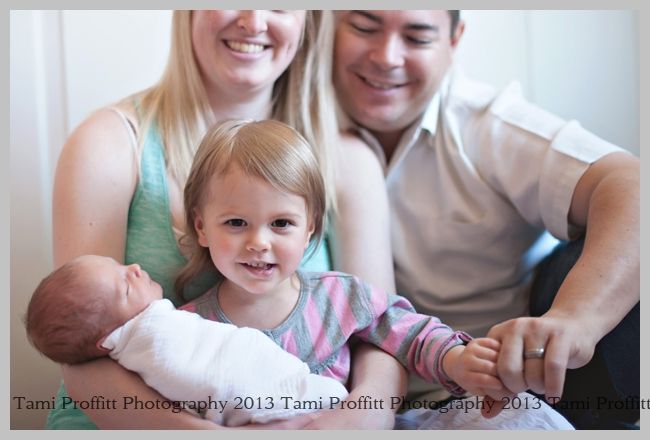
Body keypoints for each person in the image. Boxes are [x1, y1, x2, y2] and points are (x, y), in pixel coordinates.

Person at [50, 10, 404, 429]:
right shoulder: (110, 142)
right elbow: (81, 352)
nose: (254, 21)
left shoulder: (348, 160)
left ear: (307, 19)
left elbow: (384, 335)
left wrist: (356, 421)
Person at [332, 10, 640, 429]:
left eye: (417, 37)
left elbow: (632, 185)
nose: (386, 57)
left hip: (508, 382)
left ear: (454, 40)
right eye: (364, 28)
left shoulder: (484, 123)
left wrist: (575, 318)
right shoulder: (293, 114)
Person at [177, 118, 573, 430]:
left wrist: (457, 360)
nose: (259, 242)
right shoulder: (187, 328)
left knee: (523, 416)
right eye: (236, 223)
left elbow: (412, 335)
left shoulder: (339, 298)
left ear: (310, 227)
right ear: (201, 227)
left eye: (281, 223)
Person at [25, 255, 348, 427]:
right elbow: (201, 374)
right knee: (323, 397)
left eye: (121, 266)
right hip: (255, 400)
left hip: (277, 393)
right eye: (125, 286)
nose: (134, 268)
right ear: (106, 339)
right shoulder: (147, 337)